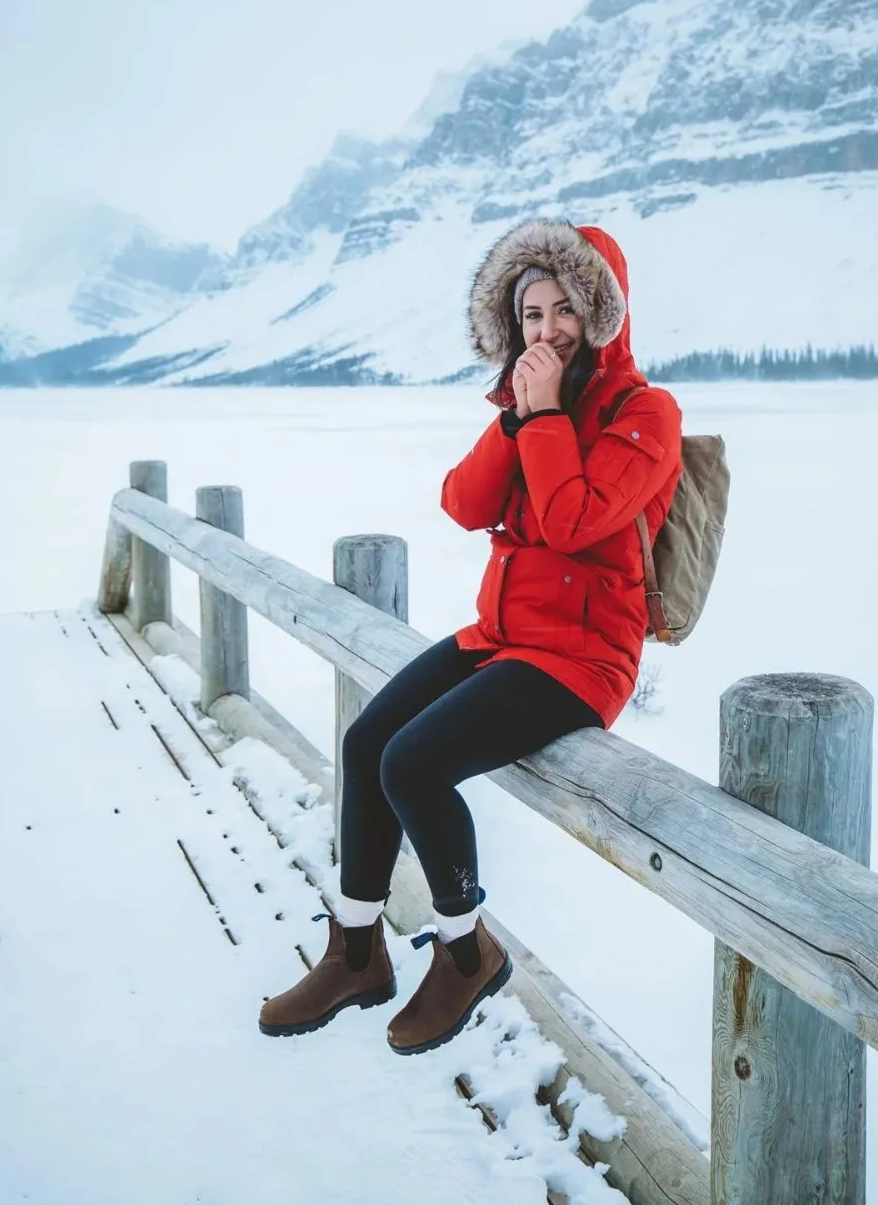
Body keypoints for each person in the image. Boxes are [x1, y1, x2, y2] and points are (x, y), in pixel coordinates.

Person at [258, 218, 683, 1055]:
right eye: (531, 315)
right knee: (367, 739)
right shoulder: (526, 408)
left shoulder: (647, 413)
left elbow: (571, 523)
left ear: (604, 312)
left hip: (583, 659)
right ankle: (355, 952)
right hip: (502, 634)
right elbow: (464, 504)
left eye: (566, 309)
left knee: (411, 765)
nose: (548, 330)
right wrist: (518, 420)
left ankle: (466, 951)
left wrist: (548, 415)